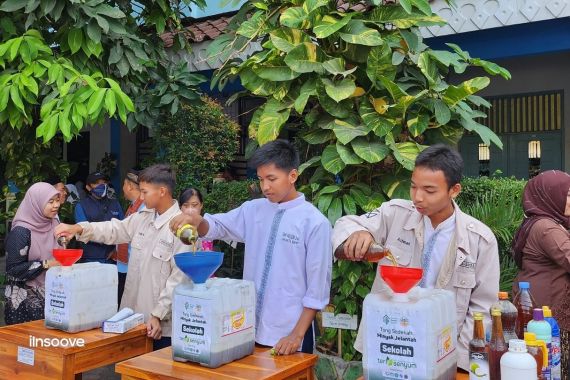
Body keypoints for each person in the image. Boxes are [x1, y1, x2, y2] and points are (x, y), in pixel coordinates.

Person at [332, 144, 499, 371]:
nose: (418, 197)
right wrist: (359, 232)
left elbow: (482, 308)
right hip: (389, 341)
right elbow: (346, 223)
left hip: (444, 349)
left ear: (454, 190)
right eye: (413, 187)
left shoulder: (479, 239)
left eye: (429, 191)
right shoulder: (395, 214)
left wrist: (456, 362)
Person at [170, 140, 332, 355]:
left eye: (272, 179)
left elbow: (317, 288)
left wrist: (296, 335)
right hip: (246, 330)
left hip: (289, 336)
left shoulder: (314, 222)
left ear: (293, 176)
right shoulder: (253, 210)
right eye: (260, 179)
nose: (265, 187)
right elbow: (217, 226)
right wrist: (196, 220)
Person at [55, 164, 186, 350]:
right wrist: (79, 228)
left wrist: (157, 314)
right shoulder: (143, 217)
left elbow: (178, 280)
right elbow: (114, 229)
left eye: (145, 192)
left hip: (159, 326)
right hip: (132, 319)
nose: (140, 197)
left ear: (162, 191)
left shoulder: (181, 227)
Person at [511, 170, 570, 379]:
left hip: (539, 309)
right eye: (568, 194)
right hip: (547, 315)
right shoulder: (547, 227)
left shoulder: (544, 221)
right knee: (549, 370)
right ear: (551, 195)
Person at [4, 183, 61, 325]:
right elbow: (13, 270)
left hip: (52, 295)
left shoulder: (54, 223)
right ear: (36, 203)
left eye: (57, 200)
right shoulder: (21, 232)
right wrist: (46, 264)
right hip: (25, 304)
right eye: (50, 201)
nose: (56, 205)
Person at [111, 169, 145, 304]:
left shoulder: (143, 208)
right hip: (124, 266)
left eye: (124, 185)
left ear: (130, 186)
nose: (123, 189)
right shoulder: (133, 207)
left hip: (133, 268)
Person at [74, 172, 124, 263]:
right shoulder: (81, 206)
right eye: (96, 183)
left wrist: (116, 250)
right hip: (90, 259)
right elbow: (83, 232)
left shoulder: (115, 204)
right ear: (88, 187)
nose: (101, 186)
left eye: (103, 182)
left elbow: (124, 229)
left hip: (112, 259)